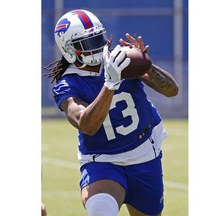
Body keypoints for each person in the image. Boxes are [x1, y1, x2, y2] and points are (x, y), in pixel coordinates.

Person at [43, 9, 178, 216]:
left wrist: (146, 65)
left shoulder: (119, 59)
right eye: (88, 44)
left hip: (144, 153)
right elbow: (86, 125)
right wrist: (110, 84)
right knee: (101, 211)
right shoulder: (67, 84)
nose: (97, 47)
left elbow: (171, 90)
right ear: (70, 49)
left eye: (99, 39)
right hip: (103, 160)